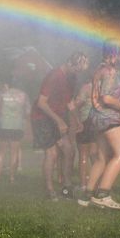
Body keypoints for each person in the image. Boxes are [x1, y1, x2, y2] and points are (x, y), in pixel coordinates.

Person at [77, 41, 120, 209]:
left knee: (102, 158)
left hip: (96, 118)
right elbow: (106, 98)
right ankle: (102, 194)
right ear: (114, 53)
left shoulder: (100, 69)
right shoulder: (109, 71)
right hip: (107, 118)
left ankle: (86, 195)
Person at [31, 52, 89, 201]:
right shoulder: (54, 75)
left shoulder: (72, 77)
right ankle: (49, 190)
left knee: (69, 150)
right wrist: (58, 121)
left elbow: (69, 103)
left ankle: (66, 187)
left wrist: (76, 120)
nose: (78, 73)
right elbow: (41, 103)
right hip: (42, 117)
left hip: (57, 117)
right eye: (77, 69)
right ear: (70, 63)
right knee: (52, 154)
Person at [0, 78, 30, 184]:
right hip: (17, 126)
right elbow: (28, 111)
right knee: (14, 153)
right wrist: (23, 120)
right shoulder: (23, 95)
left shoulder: (2, 94)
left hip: (4, 125)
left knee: (1, 152)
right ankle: (12, 178)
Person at [69, 81, 97, 193]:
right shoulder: (105, 87)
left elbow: (73, 106)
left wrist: (77, 121)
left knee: (83, 155)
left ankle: (84, 185)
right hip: (99, 124)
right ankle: (97, 184)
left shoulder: (86, 88)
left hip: (85, 122)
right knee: (95, 155)